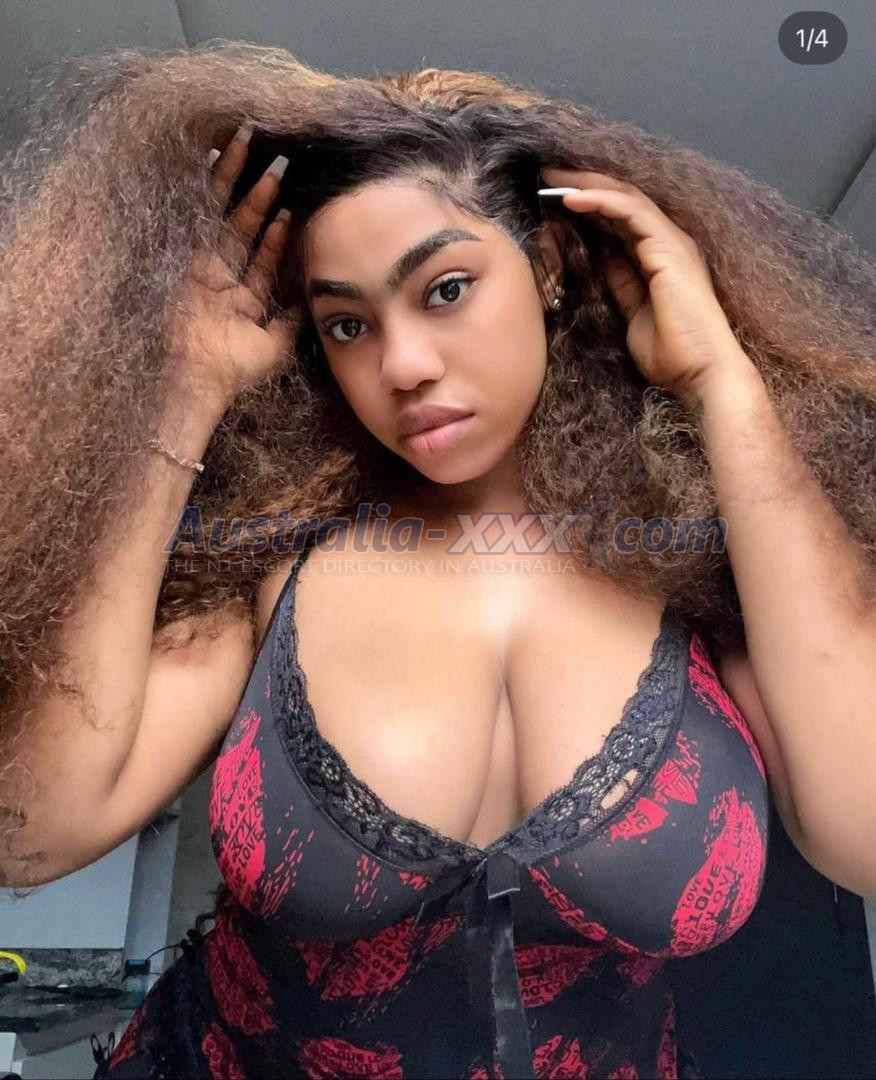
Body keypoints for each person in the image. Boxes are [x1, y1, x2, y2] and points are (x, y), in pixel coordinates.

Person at [0, 41, 875, 1080]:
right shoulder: (272, 559)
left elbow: (863, 835)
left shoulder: (699, 565)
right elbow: (33, 831)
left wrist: (722, 384)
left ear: (547, 267)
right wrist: (185, 392)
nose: (403, 364)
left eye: (447, 288)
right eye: (348, 324)